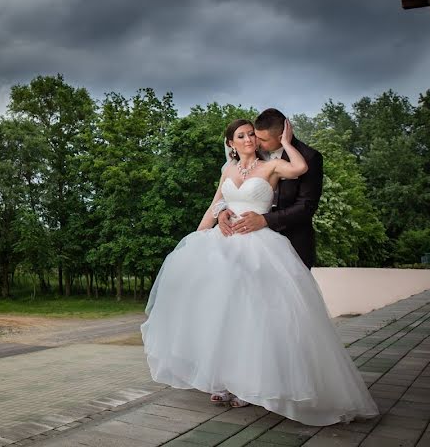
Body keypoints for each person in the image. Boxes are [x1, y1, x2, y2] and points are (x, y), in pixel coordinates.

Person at [140, 117, 378, 426]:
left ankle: (251, 386)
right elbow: (215, 205)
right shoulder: (227, 170)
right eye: (242, 135)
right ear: (231, 143)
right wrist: (196, 238)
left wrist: (288, 143)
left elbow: (300, 169)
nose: (249, 139)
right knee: (223, 314)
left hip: (259, 246)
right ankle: (225, 381)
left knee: (255, 316)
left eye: (252, 134)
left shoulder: (270, 167)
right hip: (223, 247)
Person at [218, 108, 323, 269]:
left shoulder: (309, 157)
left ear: (281, 137)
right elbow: (237, 190)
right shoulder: (254, 152)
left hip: (292, 239)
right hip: (245, 241)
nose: (255, 142)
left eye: (262, 139)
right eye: (255, 135)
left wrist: (265, 219)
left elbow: (306, 206)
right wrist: (223, 211)